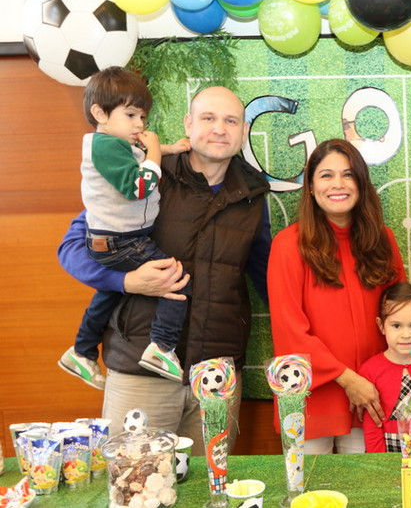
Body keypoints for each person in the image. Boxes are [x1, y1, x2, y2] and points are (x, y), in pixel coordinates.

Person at [58, 86, 271, 452]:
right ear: (188, 124)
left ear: (244, 131)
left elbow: (268, 277)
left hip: (215, 376)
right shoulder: (147, 174)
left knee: (213, 481)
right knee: (134, 479)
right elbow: (73, 248)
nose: (219, 129)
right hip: (139, 370)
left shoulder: (252, 194)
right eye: (208, 118)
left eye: (231, 121)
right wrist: (126, 281)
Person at [268, 138, 408, 455]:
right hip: (311, 399)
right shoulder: (288, 245)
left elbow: (403, 315)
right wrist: (348, 380)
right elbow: (290, 333)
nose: (338, 184)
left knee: (366, 483)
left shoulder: (383, 239)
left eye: (348, 175)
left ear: (361, 183)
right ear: (311, 186)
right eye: (326, 175)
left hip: (371, 398)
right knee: (309, 486)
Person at [58, 67, 192, 390]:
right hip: (122, 241)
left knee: (108, 292)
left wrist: (170, 149)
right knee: (176, 280)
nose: (139, 125)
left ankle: (81, 351)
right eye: (131, 115)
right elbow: (139, 186)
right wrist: (156, 151)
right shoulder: (105, 147)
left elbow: (139, 157)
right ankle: (161, 347)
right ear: (99, 114)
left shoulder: (114, 146)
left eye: (142, 117)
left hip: (113, 241)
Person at [358, 282, 411, 453]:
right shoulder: (370, 370)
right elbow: (372, 426)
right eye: (396, 326)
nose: (405, 334)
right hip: (389, 455)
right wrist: (379, 462)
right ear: (381, 326)